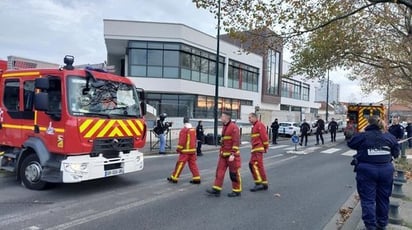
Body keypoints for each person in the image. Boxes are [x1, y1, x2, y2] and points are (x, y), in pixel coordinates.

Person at [347, 116, 399, 230]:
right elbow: (396, 153)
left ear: (368, 124)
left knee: (368, 200)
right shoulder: (389, 136)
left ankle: (370, 226)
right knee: (383, 198)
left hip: (366, 171)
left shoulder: (363, 136)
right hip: (386, 170)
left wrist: (360, 132)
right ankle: (382, 223)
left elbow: (351, 143)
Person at [206, 111, 242, 197]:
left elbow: (236, 141)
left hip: (231, 155)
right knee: (219, 172)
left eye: (222, 116)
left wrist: (233, 154)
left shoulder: (233, 127)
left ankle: (237, 190)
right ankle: (216, 189)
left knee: (234, 173)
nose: (221, 118)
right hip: (223, 155)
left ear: (227, 117)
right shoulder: (225, 126)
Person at [167, 117, 201, 184]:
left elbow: (182, 141)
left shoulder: (184, 130)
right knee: (193, 165)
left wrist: (178, 149)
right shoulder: (193, 130)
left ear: (184, 122)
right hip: (192, 151)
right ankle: (197, 178)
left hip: (185, 151)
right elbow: (194, 140)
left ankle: (174, 178)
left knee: (180, 164)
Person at [248, 113, 269, 192]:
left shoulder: (259, 125)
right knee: (256, 165)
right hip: (255, 149)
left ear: (254, 117)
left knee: (254, 165)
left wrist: (265, 147)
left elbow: (264, 137)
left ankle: (259, 183)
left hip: (258, 149)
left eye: (250, 118)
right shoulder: (255, 126)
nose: (249, 119)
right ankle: (263, 183)